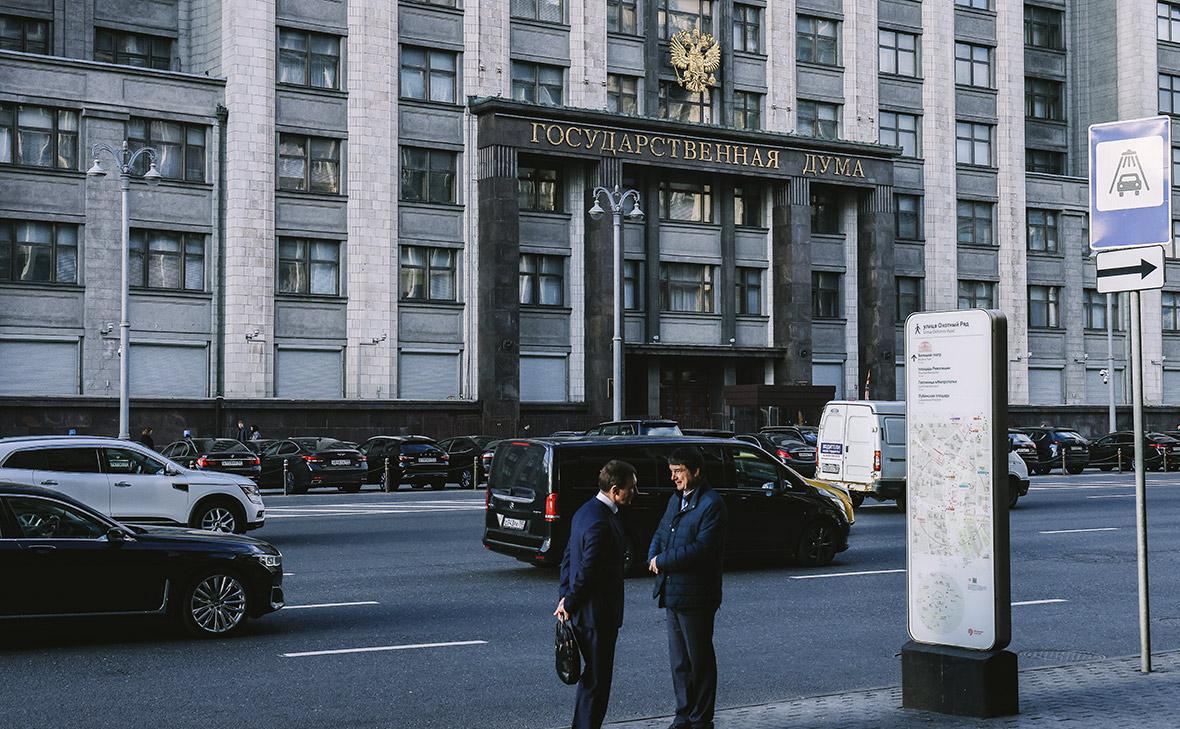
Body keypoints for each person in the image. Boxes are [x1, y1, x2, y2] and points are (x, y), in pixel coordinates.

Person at [555, 460, 638, 729]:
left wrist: (565, 597)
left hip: (584, 612)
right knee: (597, 683)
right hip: (597, 615)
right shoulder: (601, 522)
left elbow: (568, 557)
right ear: (615, 490)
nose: (634, 493)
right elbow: (588, 571)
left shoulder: (585, 512)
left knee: (591, 681)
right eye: (631, 488)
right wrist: (570, 600)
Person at [648, 446, 727, 729]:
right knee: (679, 662)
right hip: (672, 592)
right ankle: (683, 715)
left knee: (699, 660)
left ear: (696, 471)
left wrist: (662, 561)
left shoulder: (711, 504)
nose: (674, 478)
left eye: (679, 471)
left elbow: (702, 549)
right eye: (671, 472)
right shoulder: (676, 500)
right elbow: (661, 531)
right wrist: (652, 555)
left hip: (697, 595)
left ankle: (701, 718)